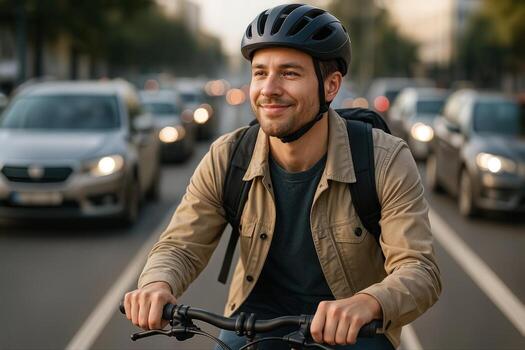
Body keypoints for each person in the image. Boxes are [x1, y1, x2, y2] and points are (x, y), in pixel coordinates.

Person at [123, 4, 441, 349]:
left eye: (289, 73)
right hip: (254, 323)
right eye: (260, 73)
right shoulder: (228, 156)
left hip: (353, 326)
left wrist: (369, 304)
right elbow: (181, 246)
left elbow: (419, 269)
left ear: (331, 86)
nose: (268, 89)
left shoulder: (385, 159)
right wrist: (156, 284)